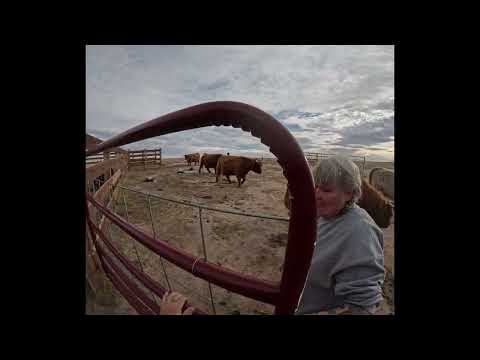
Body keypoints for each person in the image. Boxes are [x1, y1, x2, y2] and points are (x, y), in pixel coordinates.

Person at [294, 155, 385, 315]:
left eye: (327, 190)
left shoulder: (360, 233)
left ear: (349, 193)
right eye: (316, 186)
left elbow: (363, 307)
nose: (316, 194)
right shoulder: (327, 215)